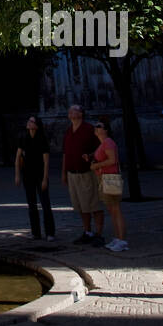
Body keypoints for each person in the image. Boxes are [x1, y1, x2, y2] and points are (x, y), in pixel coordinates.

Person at [61, 103, 104, 246]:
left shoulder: (89, 129)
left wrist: (91, 156)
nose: (70, 113)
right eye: (69, 111)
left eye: (73, 110)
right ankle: (87, 231)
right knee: (80, 205)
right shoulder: (68, 131)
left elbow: (101, 147)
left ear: (81, 114)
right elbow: (65, 154)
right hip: (73, 173)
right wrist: (64, 172)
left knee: (93, 204)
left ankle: (98, 233)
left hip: (87, 172)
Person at [15, 114, 55, 241]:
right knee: (31, 204)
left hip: (39, 174)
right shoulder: (24, 138)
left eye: (31, 121)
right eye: (29, 120)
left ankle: (50, 232)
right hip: (28, 175)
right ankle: (36, 232)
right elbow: (18, 158)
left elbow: (46, 161)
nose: (29, 123)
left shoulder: (42, 139)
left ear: (36, 125)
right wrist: (17, 175)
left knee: (45, 204)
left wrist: (45, 178)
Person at [90, 117, 127, 251]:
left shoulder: (108, 142)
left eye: (99, 126)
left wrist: (97, 165)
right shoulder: (102, 143)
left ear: (105, 130)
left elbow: (112, 160)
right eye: (96, 126)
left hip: (111, 178)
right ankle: (117, 238)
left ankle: (122, 240)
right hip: (104, 178)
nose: (96, 128)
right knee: (111, 210)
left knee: (116, 210)